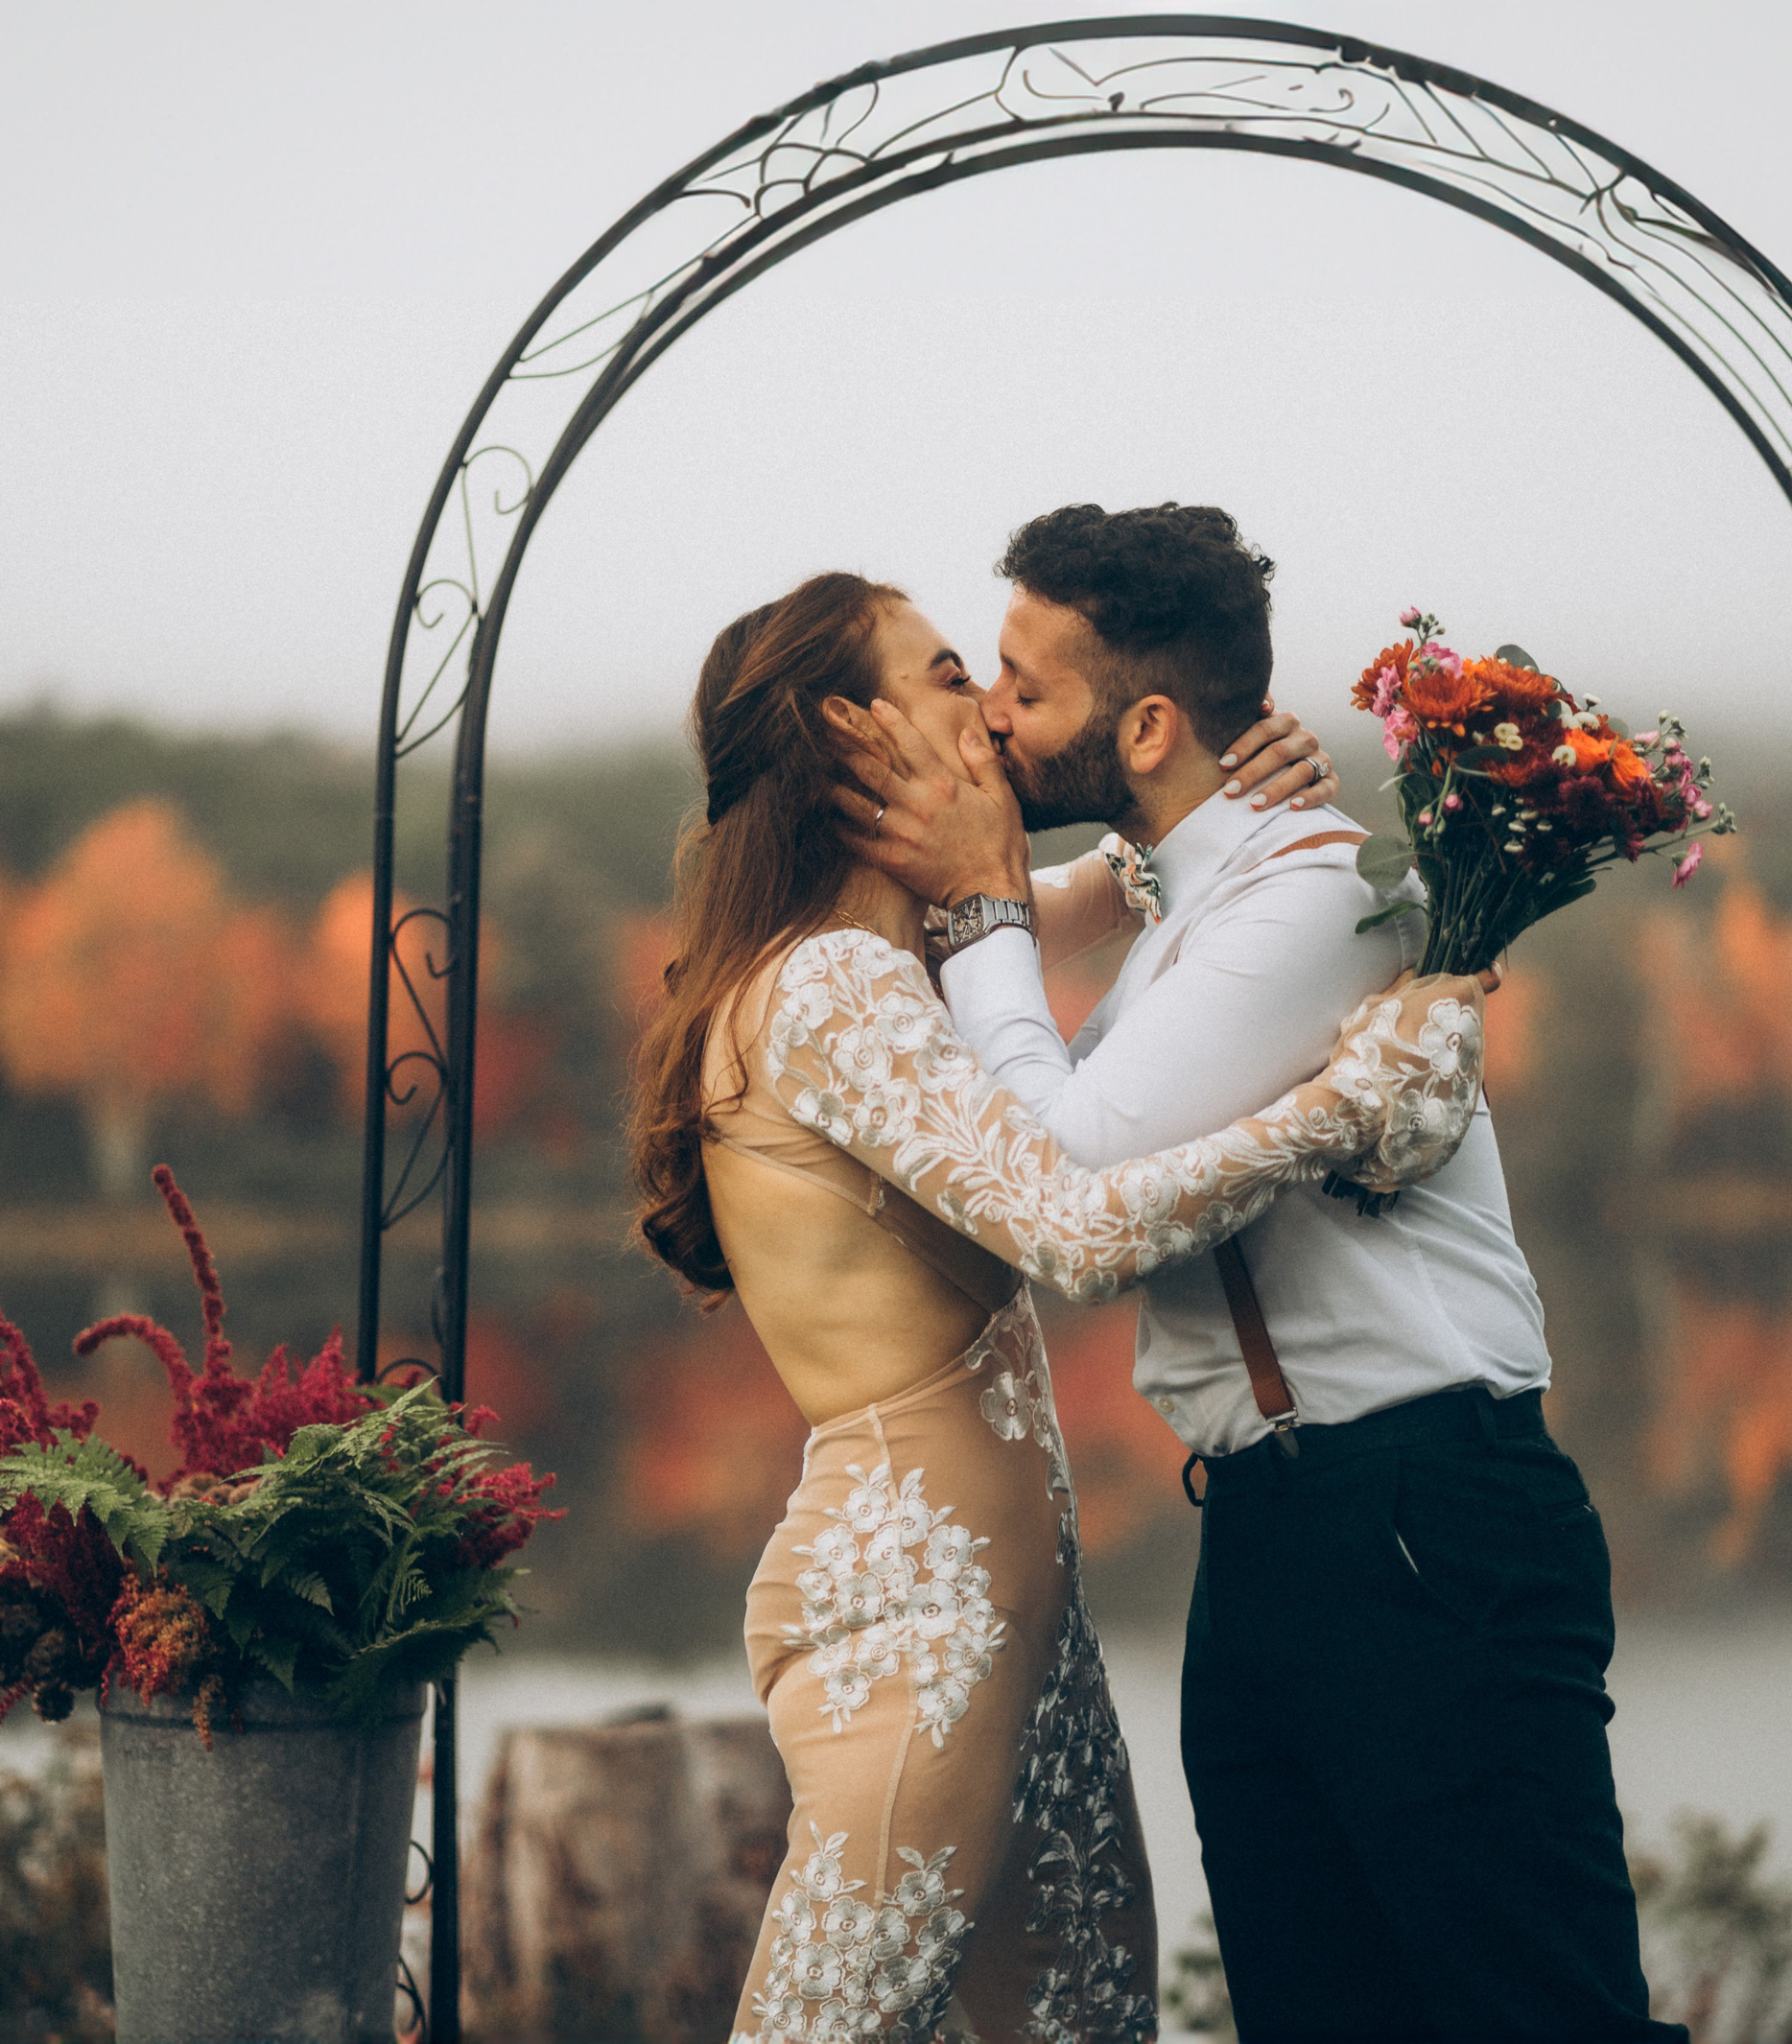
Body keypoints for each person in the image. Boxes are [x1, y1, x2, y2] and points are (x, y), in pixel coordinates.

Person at [830, 503, 1682, 2044]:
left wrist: (987, 911)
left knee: (1538, 2016)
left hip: (1420, 1516)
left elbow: (1068, 1177)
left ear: (1144, 723)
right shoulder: (1186, 914)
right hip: (1277, 1528)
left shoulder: (1312, 897)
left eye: (1023, 683)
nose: (997, 718)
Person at [625, 568, 1490, 2044]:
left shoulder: (892, 953)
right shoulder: (830, 984)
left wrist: (1236, 787)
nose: (990, 708)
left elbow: (1118, 889)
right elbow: (1074, 1225)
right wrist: (1343, 1108)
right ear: (854, 727)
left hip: (1019, 1609)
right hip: (915, 1613)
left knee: (1088, 2026)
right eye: (953, 671)